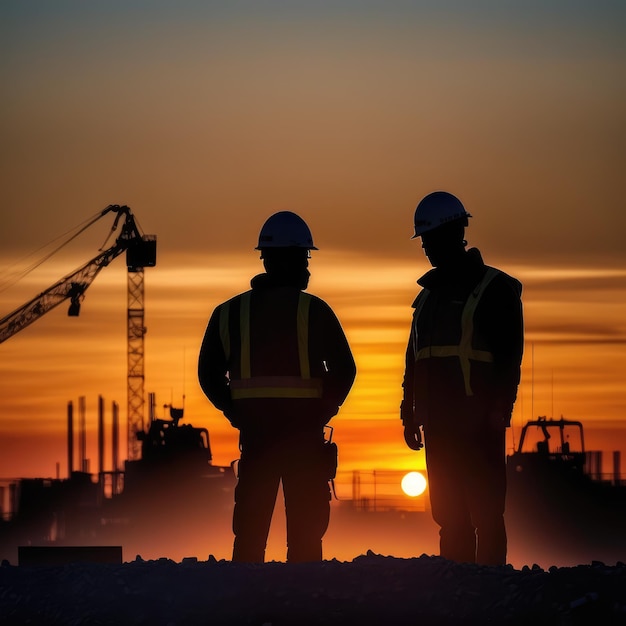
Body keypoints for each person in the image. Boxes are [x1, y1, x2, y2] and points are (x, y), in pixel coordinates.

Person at [198, 211, 356, 563]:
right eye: (305, 258)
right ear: (290, 260)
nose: (308, 268)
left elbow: (208, 375)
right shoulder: (315, 311)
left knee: (250, 536)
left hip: (257, 439)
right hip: (303, 439)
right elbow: (345, 370)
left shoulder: (230, 313)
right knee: (305, 537)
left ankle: (249, 604)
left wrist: (235, 411)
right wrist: (322, 411)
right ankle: (302, 604)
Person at [401, 191, 524, 566]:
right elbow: (414, 361)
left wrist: (499, 409)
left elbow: (508, 357)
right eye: (423, 241)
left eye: (431, 239)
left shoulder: (494, 289)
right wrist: (409, 411)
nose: (426, 249)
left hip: (478, 422)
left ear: (456, 233)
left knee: (486, 512)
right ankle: (457, 588)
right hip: (438, 423)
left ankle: (490, 590)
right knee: (449, 516)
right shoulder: (426, 300)